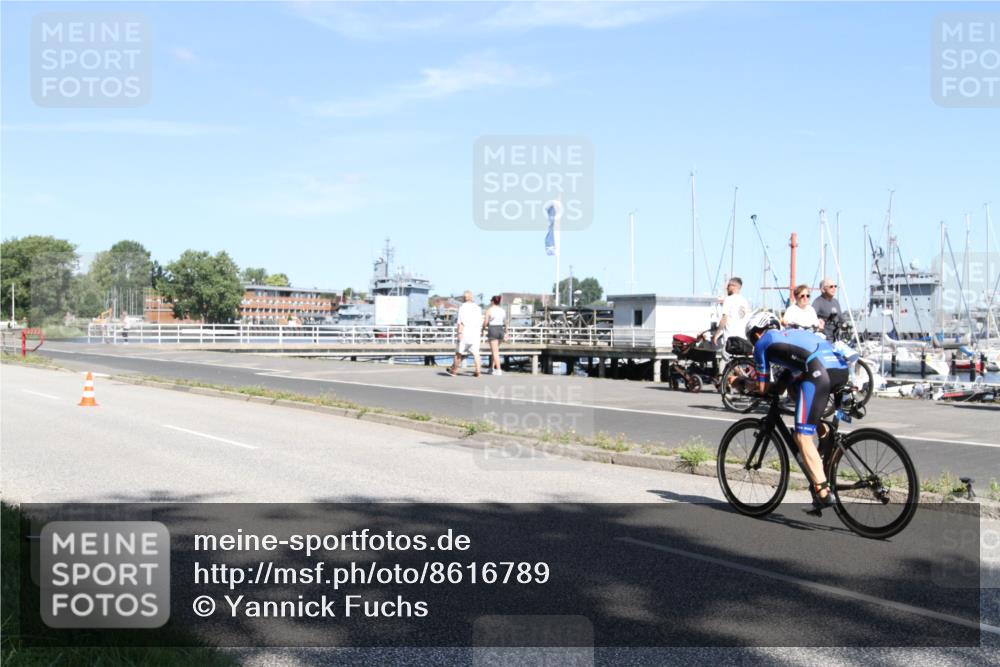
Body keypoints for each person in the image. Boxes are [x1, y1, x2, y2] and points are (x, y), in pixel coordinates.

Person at [745, 310, 849, 513]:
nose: (752, 343)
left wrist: (742, 383)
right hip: (839, 368)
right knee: (796, 391)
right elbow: (784, 387)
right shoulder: (790, 339)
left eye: (751, 338)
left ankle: (822, 492)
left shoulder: (763, 343)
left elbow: (763, 388)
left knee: (801, 435)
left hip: (820, 371)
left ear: (756, 333)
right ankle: (825, 437)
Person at [447, 291, 484, 377]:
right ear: (472, 297)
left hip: (465, 332)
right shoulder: (478, 308)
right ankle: (478, 372)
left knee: (459, 353)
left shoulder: (462, 307)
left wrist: (459, 332)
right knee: (476, 353)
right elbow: (479, 321)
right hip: (475, 333)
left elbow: (461, 322)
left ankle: (454, 371)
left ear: (464, 298)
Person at [712, 277, 751, 349]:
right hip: (742, 341)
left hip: (730, 340)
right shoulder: (744, 301)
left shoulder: (729, 299)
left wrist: (717, 334)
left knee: (726, 360)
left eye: (728, 285)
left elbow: (724, 318)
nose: (727, 288)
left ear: (734, 286)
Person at [483, 294, 506, 375]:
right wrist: (506, 332)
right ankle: (491, 368)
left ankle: (499, 370)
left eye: (490, 301)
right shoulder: (502, 310)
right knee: (494, 351)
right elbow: (505, 322)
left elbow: (485, 322)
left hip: (493, 329)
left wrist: (482, 329)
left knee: (495, 352)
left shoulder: (489, 310)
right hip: (500, 329)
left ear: (493, 301)